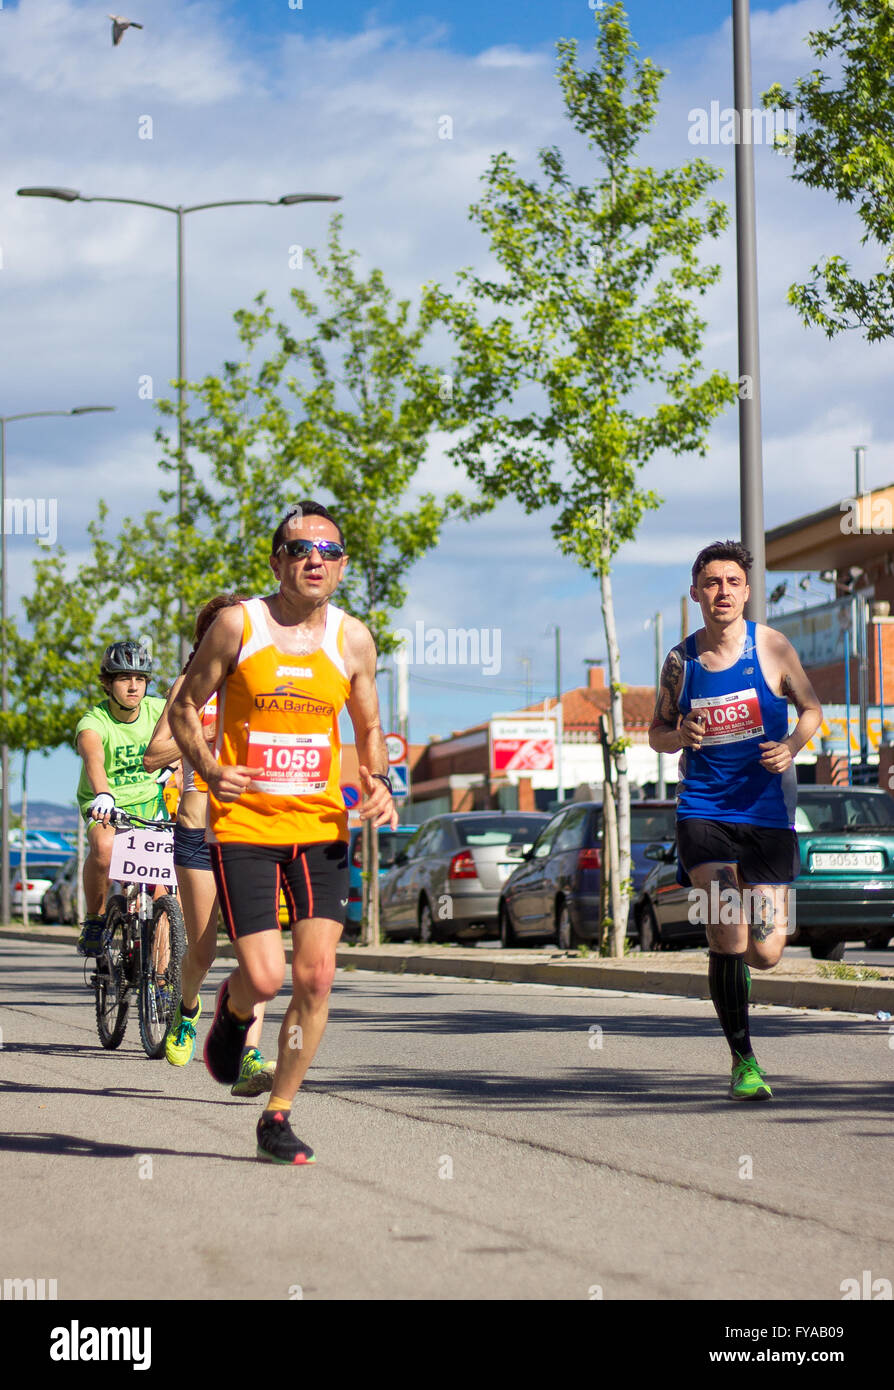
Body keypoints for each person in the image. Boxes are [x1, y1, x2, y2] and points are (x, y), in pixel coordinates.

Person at [169, 501, 397, 1164]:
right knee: (266, 976)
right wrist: (211, 768)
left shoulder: (352, 639)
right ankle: (234, 1009)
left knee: (317, 977)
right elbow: (185, 708)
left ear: (343, 565)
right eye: (300, 549)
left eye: (328, 551)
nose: (314, 560)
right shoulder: (239, 627)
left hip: (321, 825)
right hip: (244, 823)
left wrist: (379, 781)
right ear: (277, 561)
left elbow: (369, 726)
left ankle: (278, 1114)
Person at [649, 540, 822, 1100]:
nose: (722, 592)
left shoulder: (773, 648)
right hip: (703, 811)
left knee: (768, 951)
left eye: (732, 582)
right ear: (696, 593)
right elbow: (655, 733)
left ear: (746, 591)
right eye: (712, 583)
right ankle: (744, 1060)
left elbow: (813, 710)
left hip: (766, 815)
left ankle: (738, 969)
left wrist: (792, 745)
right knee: (727, 929)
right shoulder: (682, 661)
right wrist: (680, 736)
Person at [144, 595, 276, 1096]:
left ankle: (248, 1054)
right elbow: (155, 756)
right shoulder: (186, 690)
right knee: (200, 952)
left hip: (248, 833)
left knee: (254, 952)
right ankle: (188, 1009)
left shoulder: (263, 687)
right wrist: (197, 727)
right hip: (197, 834)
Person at [75, 640, 175, 956]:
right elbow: (93, 759)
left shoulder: (158, 710)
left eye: (140, 679)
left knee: (162, 901)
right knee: (103, 848)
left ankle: (159, 986)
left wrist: (177, 766)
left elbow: (191, 737)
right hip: (108, 807)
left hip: (151, 807)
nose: (133, 687)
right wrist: (103, 794)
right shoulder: (94, 721)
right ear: (108, 683)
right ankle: (94, 918)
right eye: (123, 678)